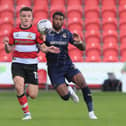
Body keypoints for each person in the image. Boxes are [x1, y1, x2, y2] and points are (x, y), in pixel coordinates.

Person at [3, 7, 60, 120]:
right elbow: (8, 50)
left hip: (32, 65)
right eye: (24, 16)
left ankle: (24, 95)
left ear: (31, 18)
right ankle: (27, 114)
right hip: (17, 63)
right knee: (19, 86)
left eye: (28, 16)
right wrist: (6, 45)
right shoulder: (14, 31)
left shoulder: (35, 32)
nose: (26, 18)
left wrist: (48, 49)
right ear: (20, 17)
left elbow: (42, 47)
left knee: (33, 95)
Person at [40, 11, 98, 119]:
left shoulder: (67, 34)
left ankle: (91, 112)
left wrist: (80, 42)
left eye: (60, 19)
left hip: (67, 65)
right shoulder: (46, 35)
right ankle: (69, 89)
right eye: (56, 19)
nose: (58, 21)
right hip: (54, 68)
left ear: (63, 21)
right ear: (52, 20)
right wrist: (45, 46)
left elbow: (83, 48)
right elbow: (41, 47)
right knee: (65, 96)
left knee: (83, 83)